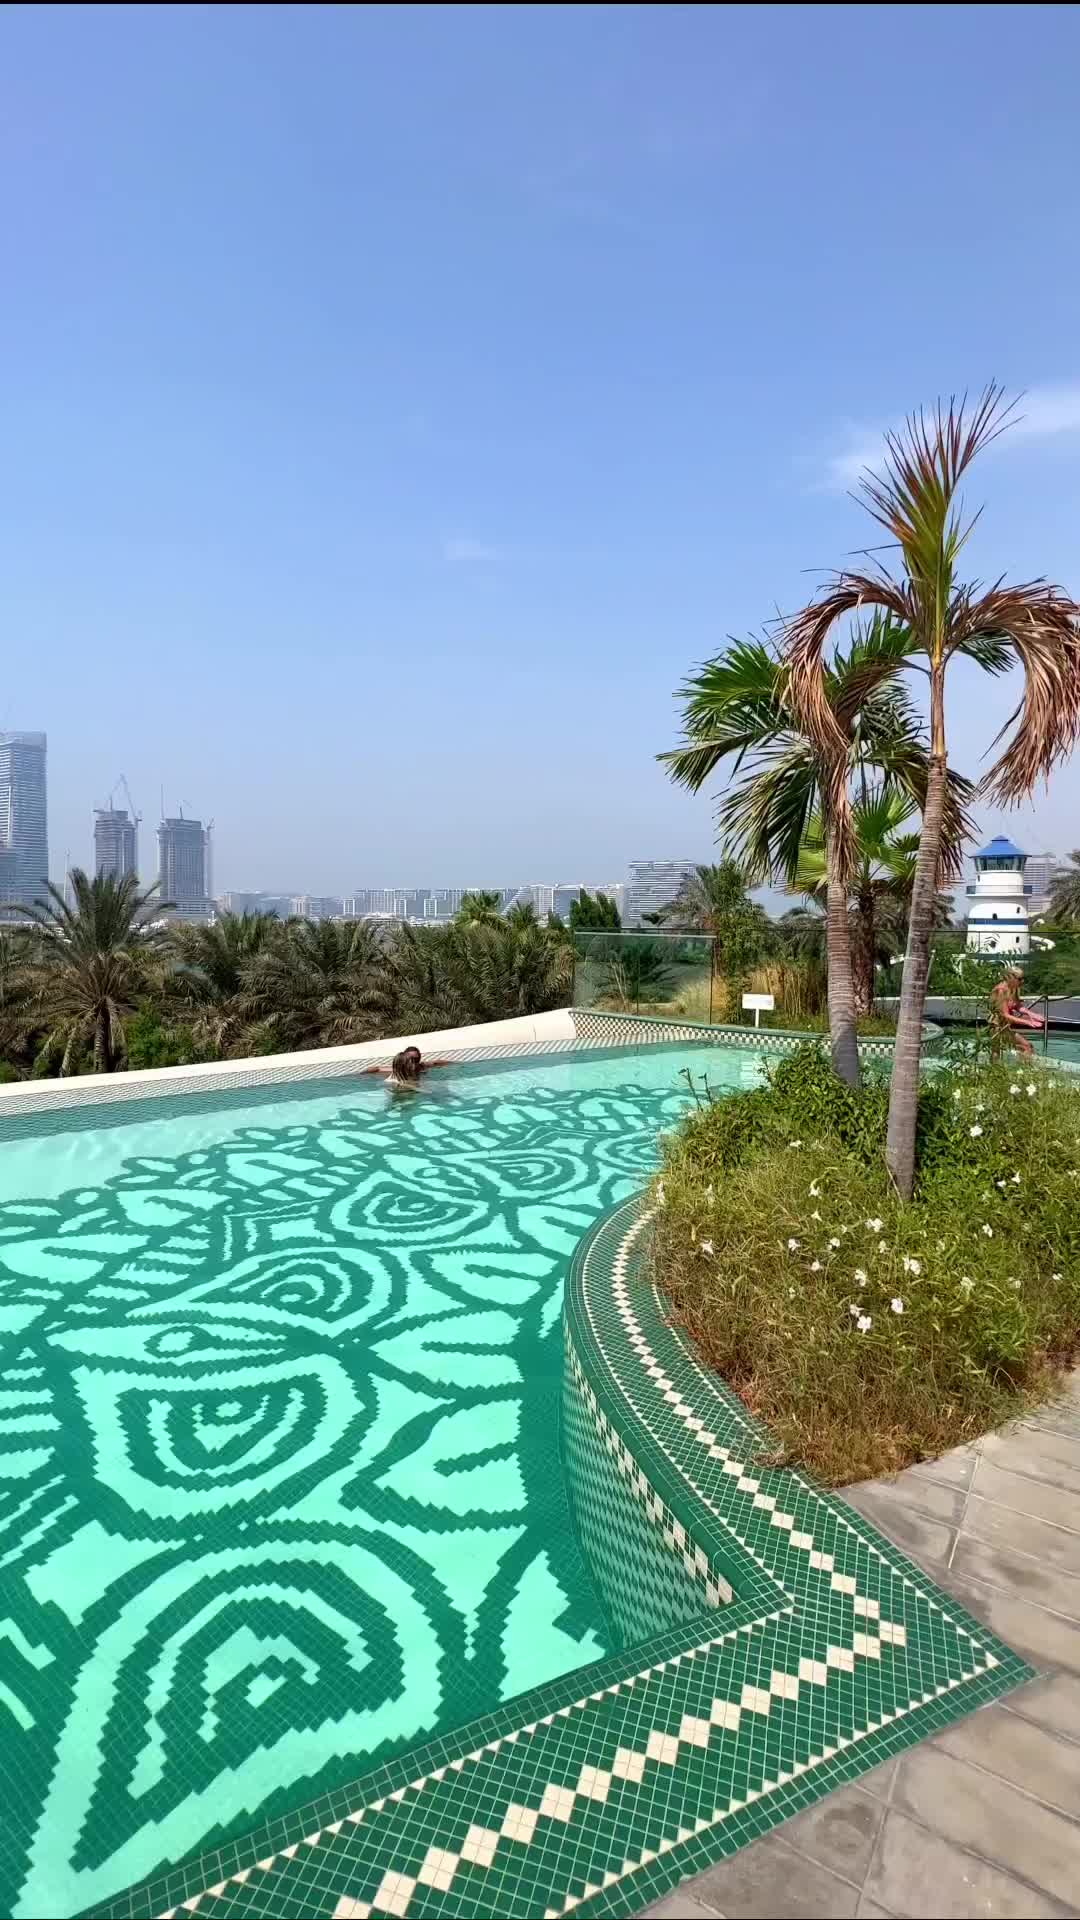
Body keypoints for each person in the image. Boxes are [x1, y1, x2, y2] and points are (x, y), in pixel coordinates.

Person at [988, 967, 1044, 1057]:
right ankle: (1022, 1069)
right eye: (1019, 979)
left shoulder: (1014, 988)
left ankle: (1021, 1068)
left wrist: (1031, 1014)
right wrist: (1028, 1022)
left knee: (1026, 1046)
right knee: (997, 1052)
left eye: (1023, 978)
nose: (1022, 982)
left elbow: (1017, 1006)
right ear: (1009, 977)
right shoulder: (1000, 990)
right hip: (996, 1026)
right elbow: (1005, 1015)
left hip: (1005, 1026)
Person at [361, 1046, 451, 1086]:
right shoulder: (396, 1070)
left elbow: (436, 1062)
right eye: (411, 1058)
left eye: (416, 1058)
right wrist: (362, 1074)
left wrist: (453, 1063)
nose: (414, 1061)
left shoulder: (421, 1066)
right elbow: (377, 1068)